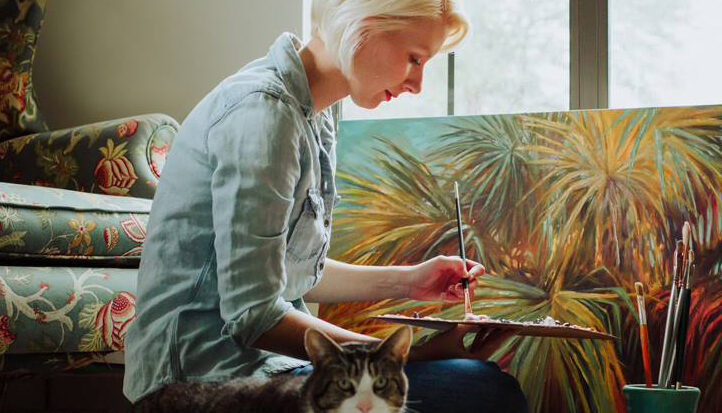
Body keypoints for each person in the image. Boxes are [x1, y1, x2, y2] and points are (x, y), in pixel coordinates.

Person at [123, 1, 528, 412]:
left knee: (479, 385)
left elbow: (288, 276)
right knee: (483, 390)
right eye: (414, 58)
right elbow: (253, 314)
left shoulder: (317, 110)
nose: (418, 84)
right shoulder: (265, 113)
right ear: (364, 27)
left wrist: (409, 281)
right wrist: (403, 356)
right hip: (200, 384)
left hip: (265, 370)